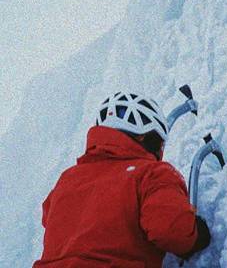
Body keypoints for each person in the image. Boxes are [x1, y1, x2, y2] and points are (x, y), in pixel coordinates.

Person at [34, 92, 211, 267]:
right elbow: (171, 231)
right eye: (158, 143)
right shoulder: (151, 173)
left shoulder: (67, 178)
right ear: (143, 136)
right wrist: (197, 235)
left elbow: (49, 219)